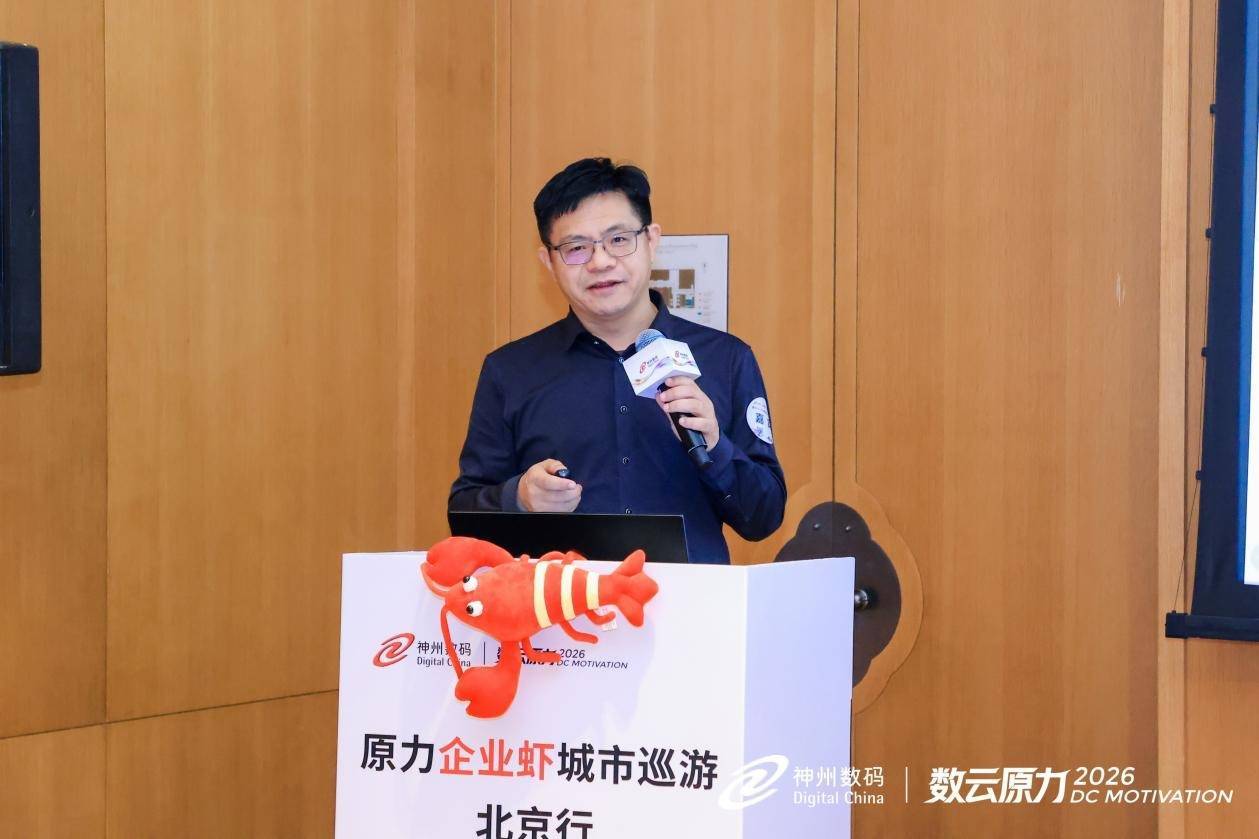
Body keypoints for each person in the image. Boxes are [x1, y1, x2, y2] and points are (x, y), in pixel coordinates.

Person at [448, 157, 785, 563]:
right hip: (563, 602)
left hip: (691, 601)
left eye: (619, 240)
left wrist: (715, 444)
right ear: (548, 262)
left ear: (652, 240)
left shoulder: (726, 359)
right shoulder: (510, 371)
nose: (601, 262)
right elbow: (463, 515)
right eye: (576, 248)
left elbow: (764, 518)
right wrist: (518, 497)